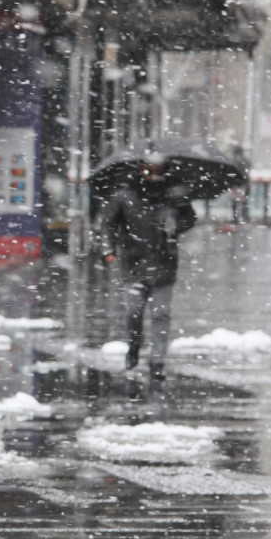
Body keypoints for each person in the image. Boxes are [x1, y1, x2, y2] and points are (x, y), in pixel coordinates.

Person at [100, 161, 197, 389]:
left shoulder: (174, 195)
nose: (153, 175)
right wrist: (108, 249)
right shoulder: (125, 196)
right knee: (134, 312)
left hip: (165, 263)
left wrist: (175, 224)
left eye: (158, 171)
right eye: (148, 171)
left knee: (161, 314)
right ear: (139, 170)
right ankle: (134, 346)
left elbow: (190, 218)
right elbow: (108, 223)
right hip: (134, 264)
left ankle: (157, 361)